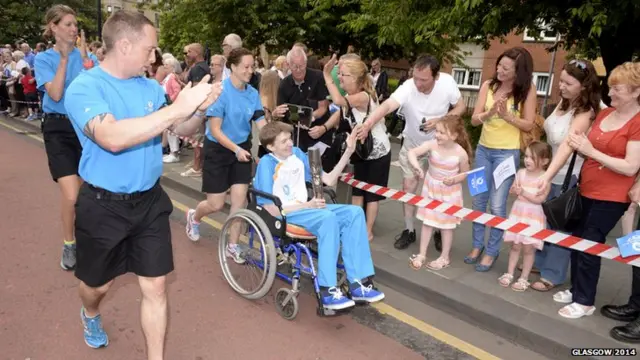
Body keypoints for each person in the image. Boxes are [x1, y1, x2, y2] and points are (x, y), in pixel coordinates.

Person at [63, 10, 218, 357]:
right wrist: (178, 109)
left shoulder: (150, 87)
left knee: (157, 287)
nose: (155, 56)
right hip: (102, 205)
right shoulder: (86, 87)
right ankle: (89, 313)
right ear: (125, 44)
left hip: (149, 203)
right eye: (150, 49)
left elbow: (180, 129)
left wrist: (199, 110)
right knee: (97, 286)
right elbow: (112, 137)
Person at [537, 62, 640, 319]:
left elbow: (630, 167)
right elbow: (573, 145)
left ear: (636, 92)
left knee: (591, 242)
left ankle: (585, 301)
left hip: (612, 196)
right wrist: (549, 175)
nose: (611, 93)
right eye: (610, 87)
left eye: (618, 89)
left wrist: (591, 151)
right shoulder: (604, 115)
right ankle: (577, 289)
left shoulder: (637, 123)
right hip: (587, 188)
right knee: (578, 238)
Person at [254, 121, 385, 309]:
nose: (290, 143)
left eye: (289, 138)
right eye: (284, 142)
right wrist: (307, 205)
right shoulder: (266, 164)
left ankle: (358, 283)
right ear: (270, 147)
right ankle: (328, 290)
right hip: (288, 214)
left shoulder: (298, 155)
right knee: (327, 218)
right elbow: (271, 209)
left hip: (310, 209)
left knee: (355, 213)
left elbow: (329, 179)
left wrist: (348, 150)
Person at [354, 54, 465, 250]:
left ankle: (439, 230)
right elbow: (388, 105)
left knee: (441, 190)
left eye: (424, 80)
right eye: (416, 78)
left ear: (436, 76)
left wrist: (442, 119)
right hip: (413, 143)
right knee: (408, 188)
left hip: (440, 145)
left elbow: (461, 106)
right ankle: (409, 230)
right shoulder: (408, 87)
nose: (418, 84)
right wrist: (368, 123)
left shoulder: (447, 83)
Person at [185, 48, 267, 258]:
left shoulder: (252, 93)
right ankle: (194, 217)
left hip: (242, 149)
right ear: (233, 67)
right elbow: (215, 130)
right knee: (216, 204)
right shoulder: (221, 92)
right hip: (219, 150)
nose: (250, 71)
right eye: (246, 67)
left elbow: (261, 123)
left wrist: (278, 140)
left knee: (239, 202)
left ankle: (232, 246)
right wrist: (236, 149)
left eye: (252, 66)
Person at [531, 59, 602, 292]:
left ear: (583, 86)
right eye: (560, 80)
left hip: (570, 176)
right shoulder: (563, 102)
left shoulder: (587, 112)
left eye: (568, 83)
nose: (561, 86)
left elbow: (567, 146)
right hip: (552, 170)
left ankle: (553, 274)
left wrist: (547, 176)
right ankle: (541, 263)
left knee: (562, 226)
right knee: (547, 220)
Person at [35, 4, 95, 271]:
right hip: (58, 129)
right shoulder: (44, 59)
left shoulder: (85, 57)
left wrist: (86, 62)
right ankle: (69, 243)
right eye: (68, 24)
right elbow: (56, 95)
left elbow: (97, 90)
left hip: (83, 129)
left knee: (87, 193)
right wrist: (63, 59)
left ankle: (87, 237)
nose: (74, 29)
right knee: (71, 195)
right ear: (54, 28)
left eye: (75, 25)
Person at [468, 47, 537, 272]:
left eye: (506, 68)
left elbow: (529, 124)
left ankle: (491, 251)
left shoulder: (526, 91)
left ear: (519, 72)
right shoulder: (488, 86)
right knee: (478, 199)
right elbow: (474, 120)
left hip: (507, 154)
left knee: (497, 204)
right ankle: (477, 245)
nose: (500, 70)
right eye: (499, 65)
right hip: (483, 151)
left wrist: (508, 117)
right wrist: (488, 115)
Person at [322, 54, 391, 242]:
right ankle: (355, 226)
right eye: (339, 74)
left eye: (343, 75)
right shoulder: (351, 95)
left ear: (356, 78)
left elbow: (337, 101)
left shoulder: (362, 96)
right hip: (361, 149)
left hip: (377, 152)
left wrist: (327, 76)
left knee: (372, 194)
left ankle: (367, 231)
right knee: (358, 190)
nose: (340, 78)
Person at [407, 115, 472, 270]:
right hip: (431, 187)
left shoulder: (461, 153)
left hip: (450, 192)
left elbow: (466, 173)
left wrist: (454, 180)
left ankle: (444, 257)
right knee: (427, 222)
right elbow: (412, 153)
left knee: (446, 225)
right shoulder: (432, 144)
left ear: (454, 136)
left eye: (442, 132)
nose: (437, 135)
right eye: (437, 131)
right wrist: (416, 167)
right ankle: (422, 254)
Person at [499, 141, 552, 291]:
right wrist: (513, 190)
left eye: (532, 157)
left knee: (529, 248)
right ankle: (509, 273)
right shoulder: (520, 173)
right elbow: (514, 189)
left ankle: (524, 277)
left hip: (534, 216)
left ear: (544, 161)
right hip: (518, 212)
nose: (527, 160)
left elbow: (540, 200)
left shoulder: (544, 179)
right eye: (526, 156)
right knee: (515, 245)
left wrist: (523, 192)